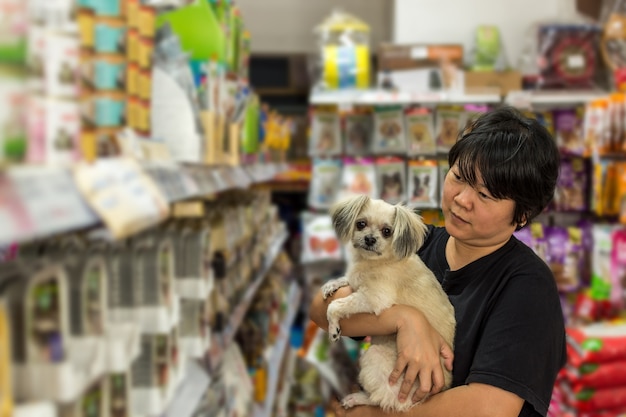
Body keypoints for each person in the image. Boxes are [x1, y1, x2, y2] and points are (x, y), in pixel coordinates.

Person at [309, 105, 567, 417]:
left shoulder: (527, 286)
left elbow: (489, 409)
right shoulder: (413, 243)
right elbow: (321, 310)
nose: (461, 199)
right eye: (458, 177)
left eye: (485, 195)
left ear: (522, 214)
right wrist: (405, 319)